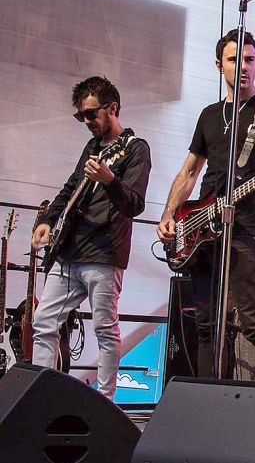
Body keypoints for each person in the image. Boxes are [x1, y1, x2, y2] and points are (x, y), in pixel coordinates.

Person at [156, 30, 255, 383]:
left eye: (250, 60)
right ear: (220, 66)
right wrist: (170, 215)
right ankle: (205, 406)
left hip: (243, 231)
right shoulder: (209, 115)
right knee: (205, 325)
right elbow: (189, 171)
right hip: (200, 227)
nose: (243, 67)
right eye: (235, 60)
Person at [31, 76, 152, 399]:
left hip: (104, 253)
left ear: (112, 108)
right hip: (70, 250)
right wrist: (47, 219)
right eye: (80, 116)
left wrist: (111, 179)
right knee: (43, 322)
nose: (86, 122)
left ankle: (105, 402)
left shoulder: (136, 149)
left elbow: (135, 203)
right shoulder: (93, 147)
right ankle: (38, 396)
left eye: (90, 114)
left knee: (105, 329)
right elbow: (72, 186)